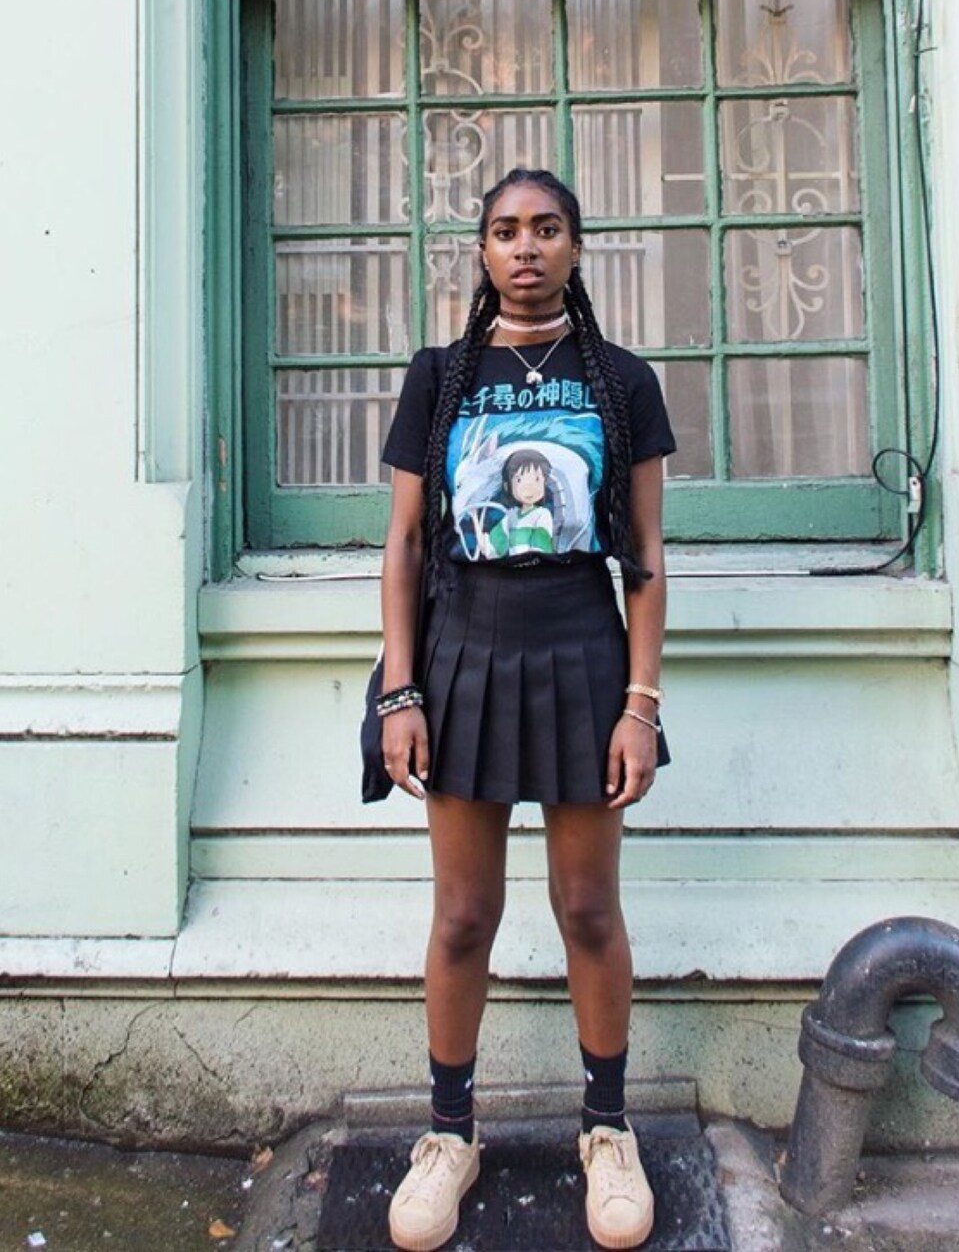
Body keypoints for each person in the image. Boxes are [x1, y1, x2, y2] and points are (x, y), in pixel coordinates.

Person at [376, 168, 675, 1252]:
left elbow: (644, 557)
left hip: (584, 657)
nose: (526, 247)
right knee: (464, 914)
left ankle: (608, 1127)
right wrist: (400, 689)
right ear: (482, 252)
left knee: (588, 908)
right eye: (505, 230)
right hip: (462, 655)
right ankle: (449, 1134)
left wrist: (640, 704)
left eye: (547, 228)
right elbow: (407, 544)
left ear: (576, 247)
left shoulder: (623, 381)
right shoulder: (439, 376)